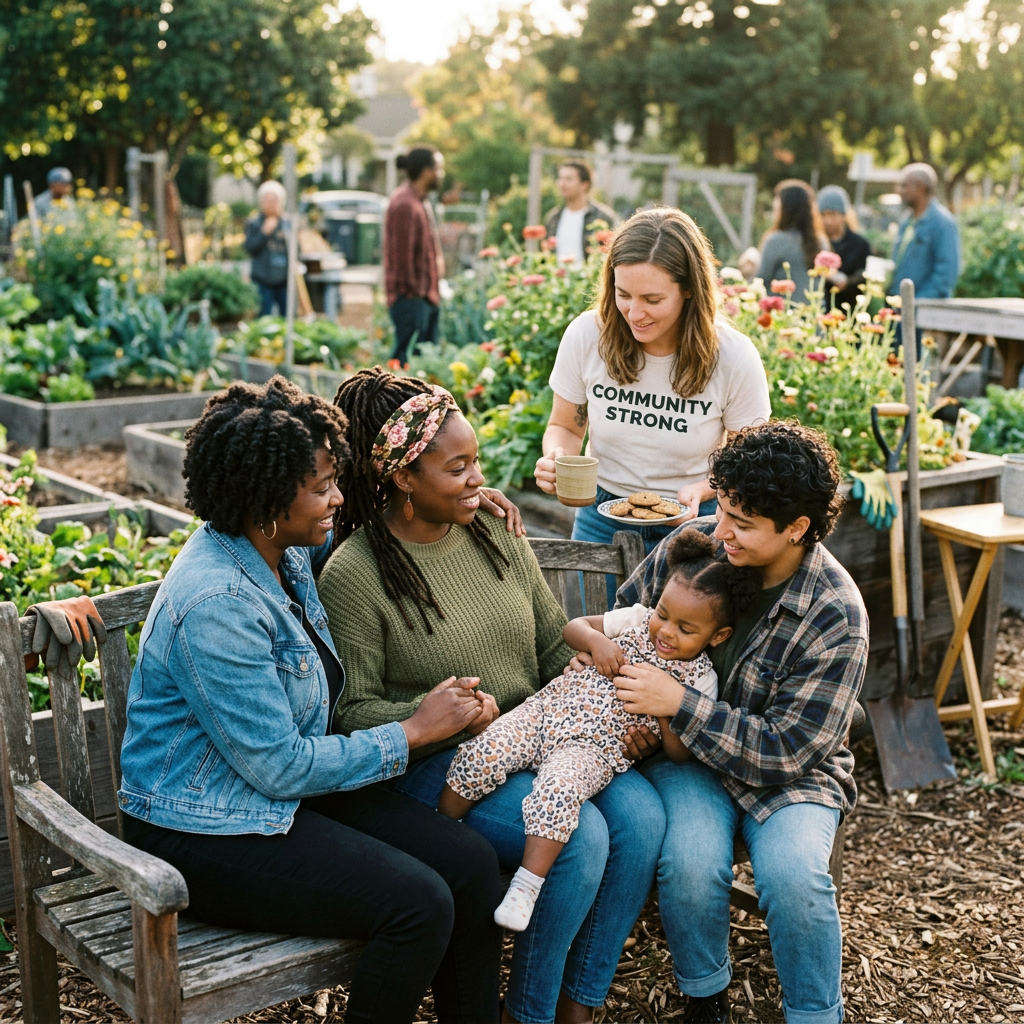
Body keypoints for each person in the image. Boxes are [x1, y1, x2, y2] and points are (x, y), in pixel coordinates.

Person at [117, 376, 503, 1024]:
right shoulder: (217, 604)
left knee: (470, 863)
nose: (336, 499)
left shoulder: (280, 545)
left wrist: (462, 500)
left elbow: (372, 512)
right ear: (269, 494)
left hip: (276, 794)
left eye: (334, 479)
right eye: (322, 485)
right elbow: (281, 767)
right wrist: (413, 731)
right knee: (417, 905)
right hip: (202, 827)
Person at [320, 367, 667, 1024]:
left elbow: (548, 643)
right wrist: (430, 717)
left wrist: (614, 711)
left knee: (643, 821)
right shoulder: (356, 574)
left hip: (537, 732)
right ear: (402, 479)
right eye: (458, 469)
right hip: (434, 766)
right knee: (581, 839)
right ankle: (527, 1015)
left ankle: (578, 1007)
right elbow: (351, 713)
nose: (478, 479)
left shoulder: (493, 531)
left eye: (476, 460)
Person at [604, 422, 867, 1024]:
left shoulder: (835, 612)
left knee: (796, 879)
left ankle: (813, 1014)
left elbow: (789, 749)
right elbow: (630, 622)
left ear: (796, 529)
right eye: (722, 509)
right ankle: (706, 997)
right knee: (692, 865)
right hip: (686, 760)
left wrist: (679, 705)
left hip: (792, 775)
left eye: (742, 523)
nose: (719, 531)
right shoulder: (695, 548)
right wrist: (635, 709)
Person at [439, 531, 761, 934]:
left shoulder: (699, 680)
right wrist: (596, 640)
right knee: (481, 753)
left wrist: (666, 711)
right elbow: (572, 627)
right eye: (664, 613)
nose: (665, 630)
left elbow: (680, 753)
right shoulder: (637, 619)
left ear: (718, 636)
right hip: (545, 712)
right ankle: (440, 834)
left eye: (685, 628)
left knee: (559, 793)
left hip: (592, 749)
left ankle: (526, 885)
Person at [534, 207, 771, 590]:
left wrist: (703, 489)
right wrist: (557, 457)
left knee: (680, 645)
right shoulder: (586, 336)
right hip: (601, 516)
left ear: (690, 289)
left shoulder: (733, 356)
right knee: (596, 636)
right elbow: (564, 425)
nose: (634, 312)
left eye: (652, 299)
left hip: (696, 524)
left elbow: (749, 460)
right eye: (623, 294)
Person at [384, 147, 446, 366]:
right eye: (438, 168)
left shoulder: (419, 201)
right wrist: (415, 293)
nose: (442, 173)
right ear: (426, 171)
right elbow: (401, 261)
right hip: (411, 299)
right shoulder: (405, 205)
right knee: (405, 366)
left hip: (424, 298)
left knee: (422, 367)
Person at [892, 162, 961, 299]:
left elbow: (947, 273)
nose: (900, 190)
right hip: (901, 308)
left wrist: (918, 301)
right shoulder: (907, 220)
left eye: (904, 185)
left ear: (921, 188)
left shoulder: (942, 222)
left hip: (924, 311)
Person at [758, 180, 830, 301]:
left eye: (777, 199)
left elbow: (760, 280)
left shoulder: (776, 240)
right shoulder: (821, 241)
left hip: (782, 316)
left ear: (785, 207)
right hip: (813, 313)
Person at [543, 162, 619, 265]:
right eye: (560, 178)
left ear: (584, 185)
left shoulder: (603, 217)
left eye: (568, 179)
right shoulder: (553, 218)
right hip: (557, 279)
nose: (562, 183)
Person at [817, 184, 870, 311]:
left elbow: (866, 274)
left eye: (833, 214)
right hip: (822, 309)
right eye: (823, 215)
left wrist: (848, 281)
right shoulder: (817, 242)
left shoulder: (860, 244)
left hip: (850, 309)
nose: (828, 220)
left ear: (843, 215)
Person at [244, 181, 291, 316]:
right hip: (262, 280)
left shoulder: (287, 223)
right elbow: (250, 248)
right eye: (267, 200)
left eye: (274, 200)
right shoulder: (254, 223)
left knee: (287, 317)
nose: (271, 203)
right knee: (264, 317)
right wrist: (264, 232)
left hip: (284, 280)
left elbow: (295, 249)